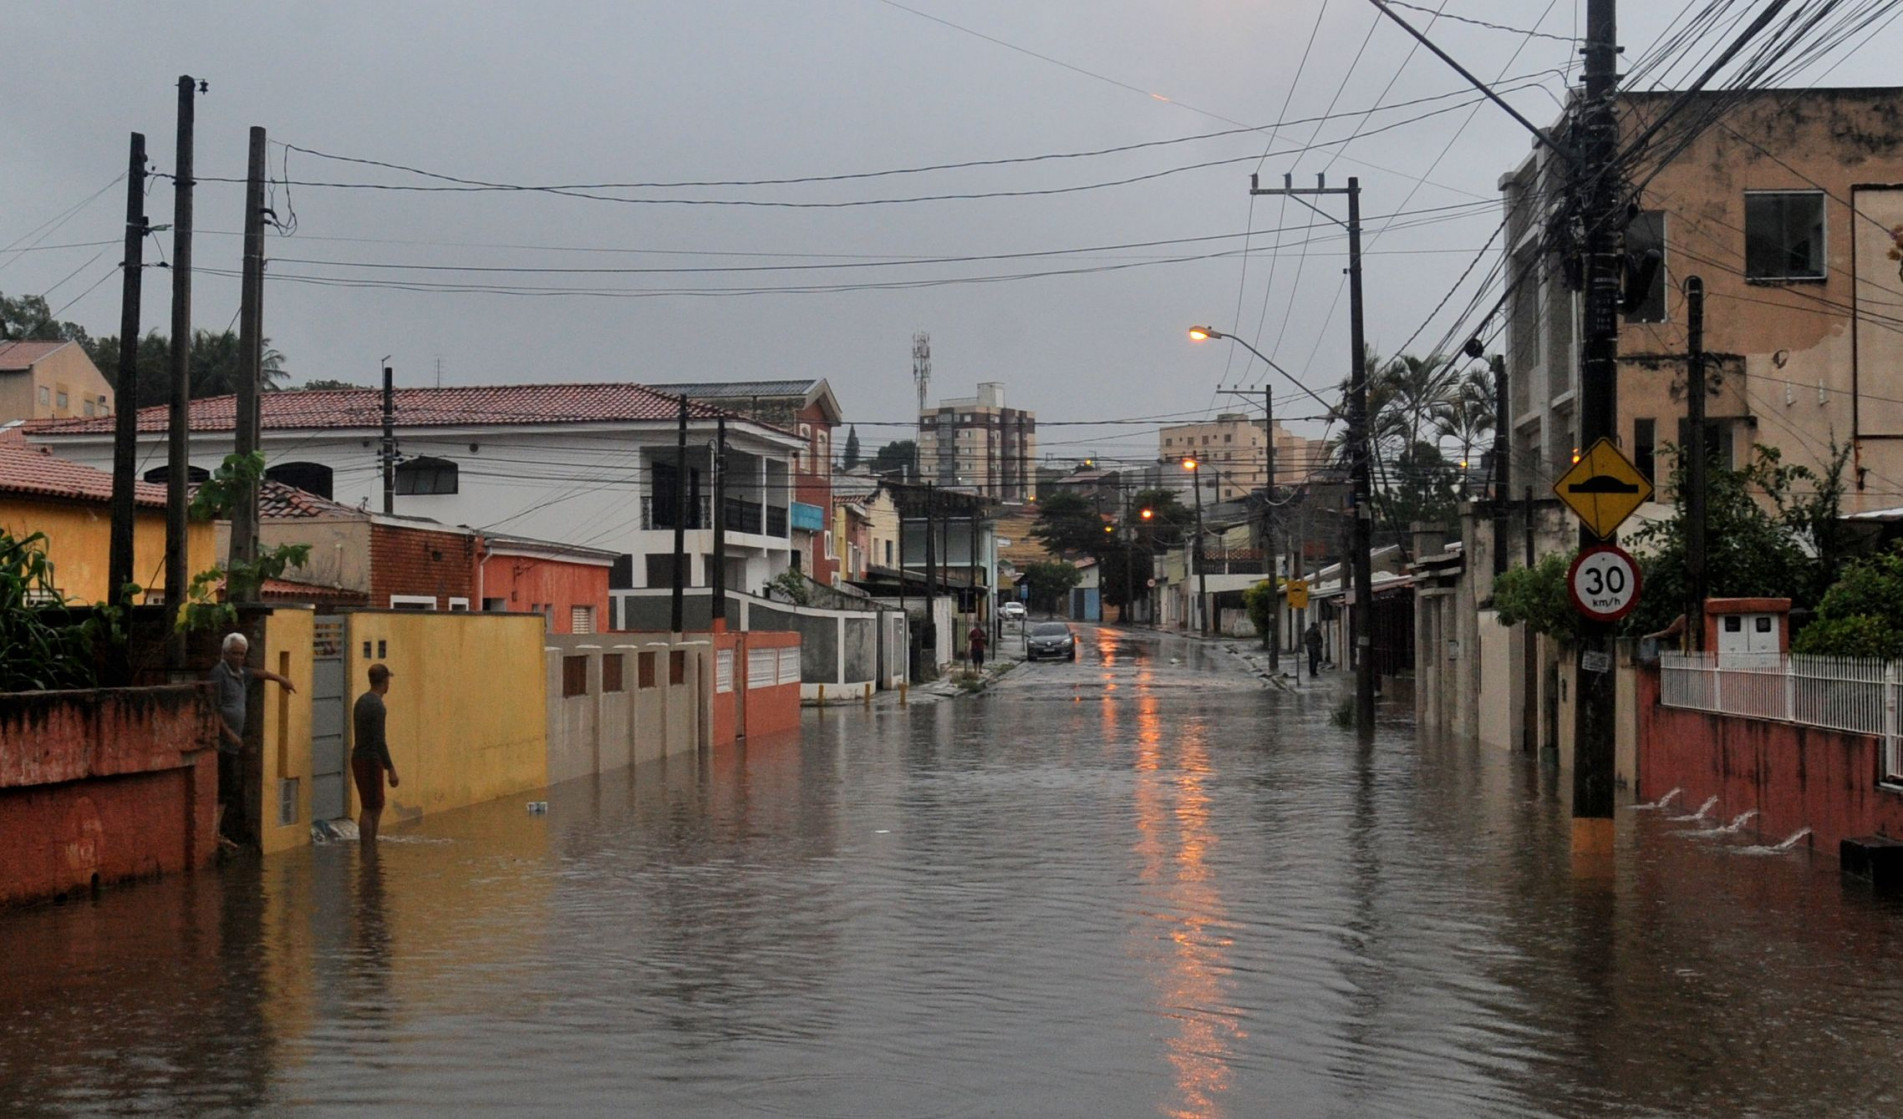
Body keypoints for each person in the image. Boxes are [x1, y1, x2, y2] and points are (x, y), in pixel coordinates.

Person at [210, 632, 295, 835]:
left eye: (241, 654)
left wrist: (281, 679)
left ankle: (220, 832)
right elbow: (213, 709)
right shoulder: (219, 674)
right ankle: (214, 834)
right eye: (234, 654)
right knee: (223, 790)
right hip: (222, 744)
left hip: (233, 745)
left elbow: (258, 673)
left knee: (230, 790)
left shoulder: (241, 674)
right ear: (224, 653)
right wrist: (229, 733)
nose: (238, 658)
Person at [352, 663, 401, 847]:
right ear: (385, 681)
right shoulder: (377, 706)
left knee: (370, 804)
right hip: (371, 760)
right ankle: (369, 845)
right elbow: (380, 740)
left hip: (358, 757)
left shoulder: (361, 701)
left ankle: (368, 844)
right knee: (373, 806)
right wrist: (391, 768)